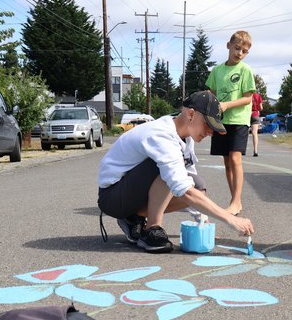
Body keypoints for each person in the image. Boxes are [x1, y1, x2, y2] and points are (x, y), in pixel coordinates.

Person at [97, 91, 254, 253]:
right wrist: (230, 218)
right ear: (191, 114)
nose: (211, 132)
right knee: (167, 169)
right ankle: (152, 229)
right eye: (208, 124)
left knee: (197, 185)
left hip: (130, 193)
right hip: (113, 197)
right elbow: (182, 188)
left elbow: (189, 180)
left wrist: (202, 221)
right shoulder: (161, 135)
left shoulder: (185, 137)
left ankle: (133, 218)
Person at [205, 30, 256, 216]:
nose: (239, 53)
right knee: (227, 162)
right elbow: (211, 94)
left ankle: (235, 201)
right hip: (221, 121)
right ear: (228, 46)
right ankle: (236, 200)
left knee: (235, 158)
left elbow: (248, 98)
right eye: (237, 48)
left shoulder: (245, 70)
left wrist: (227, 104)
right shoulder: (217, 71)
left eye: (244, 51)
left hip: (239, 121)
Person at [250, 92, 263, 157]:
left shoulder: (247, 94)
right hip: (255, 114)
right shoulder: (258, 96)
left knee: (243, 132)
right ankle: (255, 150)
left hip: (246, 115)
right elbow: (261, 108)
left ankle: (239, 150)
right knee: (255, 133)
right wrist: (257, 110)